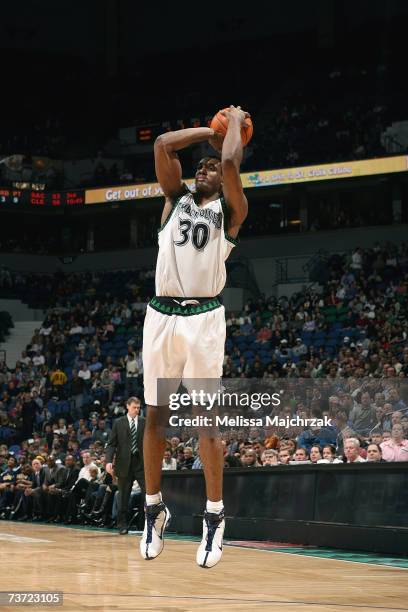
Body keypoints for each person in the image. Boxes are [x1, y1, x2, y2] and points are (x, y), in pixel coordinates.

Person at [141, 105, 249, 568]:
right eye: (200, 165)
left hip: (204, 316)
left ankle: (214, 515)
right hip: (161, 313)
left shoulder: (232, 210)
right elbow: (162, 144)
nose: (206, 168)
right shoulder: (173, 200)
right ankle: (152, 508)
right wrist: (210, 130)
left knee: (207, 420)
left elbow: (228, 164)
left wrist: (235, 125)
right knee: (155, 415)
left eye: (211, 167)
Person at [105, 396, 145, 534]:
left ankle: (144, 524)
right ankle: (122, 525)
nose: (137, 410)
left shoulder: (144, 422)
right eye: (134, 407)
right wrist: (109, 461)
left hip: (141, 464)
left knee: (148, 494)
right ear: (127, 406)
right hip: (123, 464)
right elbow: (111, 444)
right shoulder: (118, 422)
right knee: (123, 497)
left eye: (139, 408)